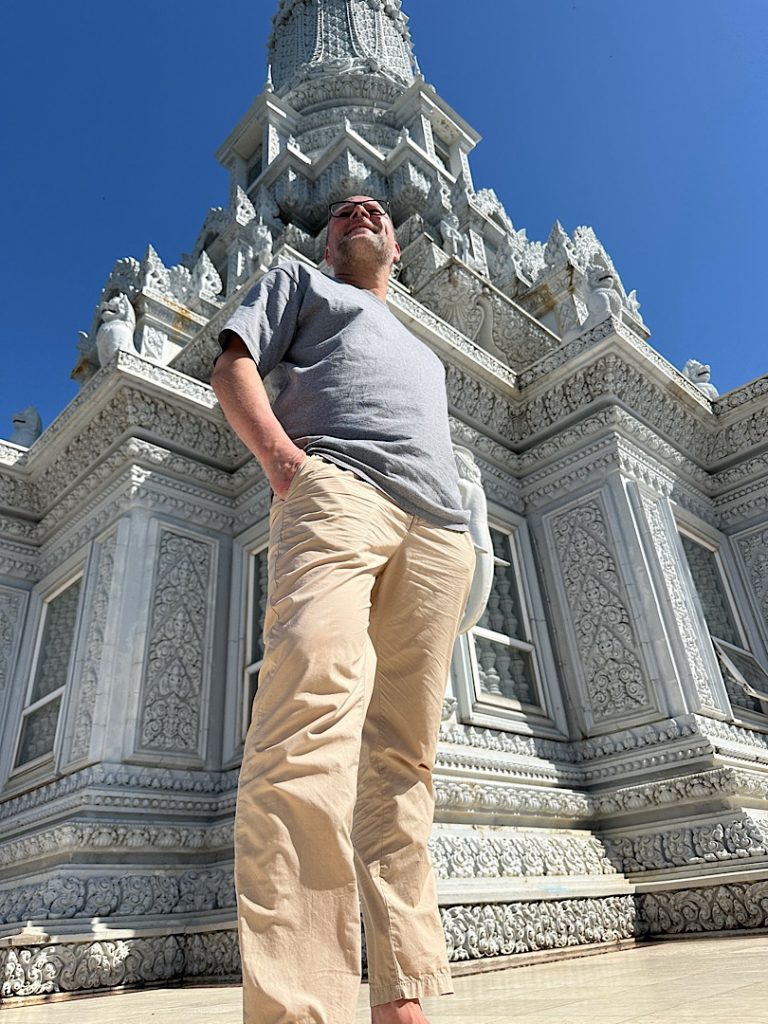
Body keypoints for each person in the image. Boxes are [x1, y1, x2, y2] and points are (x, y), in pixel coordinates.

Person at [211, 195, 475, 1024]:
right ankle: (298, 1007)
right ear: (326, 242)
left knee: (403, 764)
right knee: (306, 719)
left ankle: (402, 994)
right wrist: (286, 464)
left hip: (438, 535)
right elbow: (231, 366)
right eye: (342, 213)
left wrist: (465, 532)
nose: (360, 212)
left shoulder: (426, 353)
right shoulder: (297, 282)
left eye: (377, 212)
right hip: (337, 494)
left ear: (397, 246)